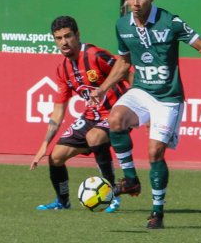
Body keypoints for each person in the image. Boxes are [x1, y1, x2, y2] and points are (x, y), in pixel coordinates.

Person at [90, 0, 201, 229]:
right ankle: (130, 178)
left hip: (167, 97)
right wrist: (102, 88)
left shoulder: (170, 22)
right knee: (115, 119)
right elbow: (123, 63)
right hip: (141, 90)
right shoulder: (122, 25)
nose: (135, 3)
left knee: (155, 152)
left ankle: (157, 212)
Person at [30, 16, 131, 213]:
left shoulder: (94, 55)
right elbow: (59, 110)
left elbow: (126, 71)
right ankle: (62, 201)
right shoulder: (62, 69)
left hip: (118, 112)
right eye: (58, 38)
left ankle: (111, 197)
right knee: (55, 157)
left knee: (94, 137)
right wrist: (43, 145)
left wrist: (141, 104)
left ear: (77, 35)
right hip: (91, 115)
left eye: (68, 36)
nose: (64, 42)